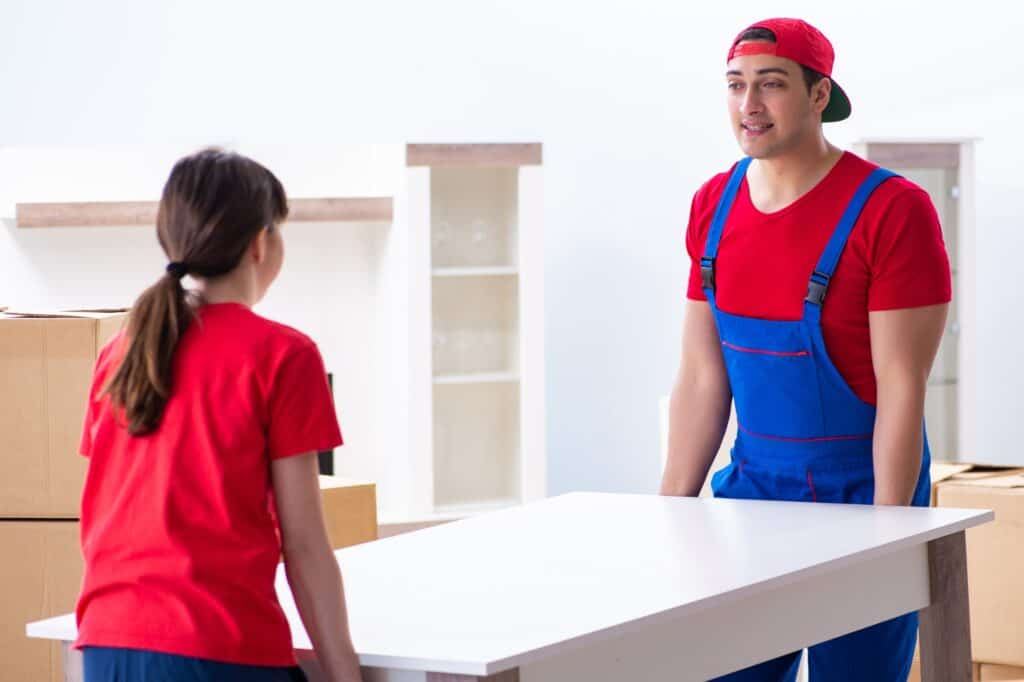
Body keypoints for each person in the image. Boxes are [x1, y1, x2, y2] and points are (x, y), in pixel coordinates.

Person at [659, 18, 950, 682]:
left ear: (821, 95)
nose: (749, 106)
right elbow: (705, 377)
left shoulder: (892, 210)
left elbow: (902, 387)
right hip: (752, 498)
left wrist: (888, 535)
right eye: (735, 86)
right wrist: (670, 513)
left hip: (863, 493)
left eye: (772, 85)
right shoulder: (714, 204)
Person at [75, 148, 363, 682]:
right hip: (218, 647)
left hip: (105, 646)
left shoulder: (120, 353)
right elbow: (303, 544)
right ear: (261, 243)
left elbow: (103, 517)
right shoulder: (283, 355)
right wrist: (344, 672)